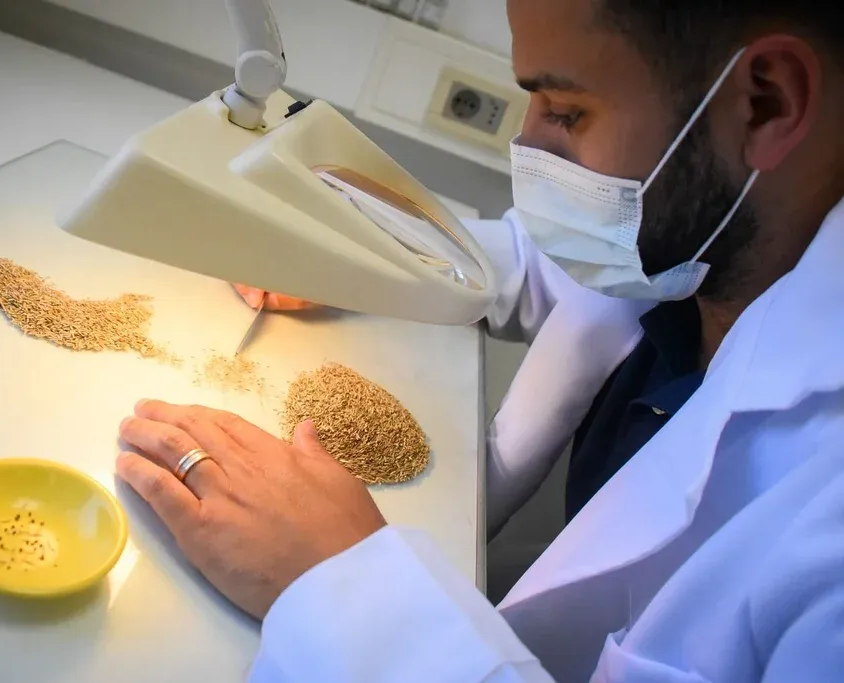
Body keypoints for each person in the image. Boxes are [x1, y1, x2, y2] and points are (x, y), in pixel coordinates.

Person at [114, 0, 844, 680]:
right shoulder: (706, 241)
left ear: (766, 103)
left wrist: (342, 585)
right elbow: (553, 260)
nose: (527, 144)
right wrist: (363, 259)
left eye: (566, 111)